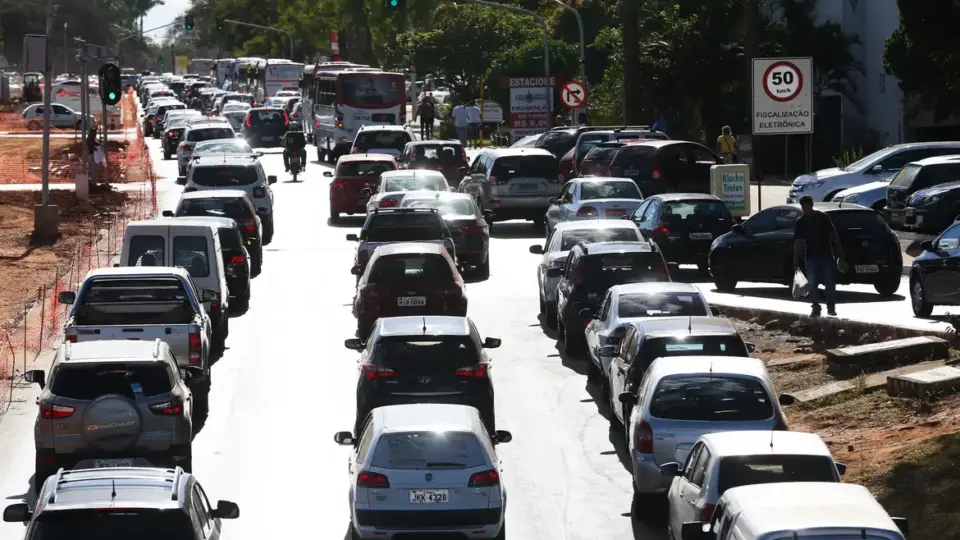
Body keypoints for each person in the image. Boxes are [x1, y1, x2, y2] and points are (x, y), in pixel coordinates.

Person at [794, 194, 846, 317]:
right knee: (812, 284)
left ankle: (831, 307)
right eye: (804, 208)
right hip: (811, 256)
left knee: (830, 283)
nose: (806, 210)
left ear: (811, 205)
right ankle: (815, 307)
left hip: (827, 255)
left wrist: (840, 253)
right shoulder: (801, 222)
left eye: (807, 207)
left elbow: (833, 236)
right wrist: (797, 261)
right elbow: (799, 243)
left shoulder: (823, 218)